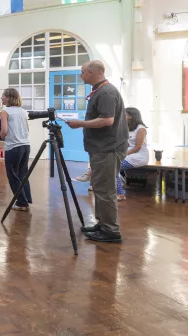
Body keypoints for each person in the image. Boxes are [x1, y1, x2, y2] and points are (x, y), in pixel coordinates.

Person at [66, 60, 128, 243]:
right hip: (102, 148)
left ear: (92, 72)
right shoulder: (101, 91)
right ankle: (103, 224)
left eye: (82, 72)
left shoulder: (106, 92)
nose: (81, 76)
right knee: (100, 188)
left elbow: (107, 120)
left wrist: (80, 124)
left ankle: (111, 231)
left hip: (108, 149)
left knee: (105, 190)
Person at [0, 88, 32, 211]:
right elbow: (27, 129)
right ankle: (26, 199)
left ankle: (22, 203)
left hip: (13, 147)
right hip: (25, 146)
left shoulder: (4, 111)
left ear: (9, 97)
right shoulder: (23, 111)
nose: (1, 98)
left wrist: (2, 135)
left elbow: (4, 131)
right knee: (23, 174)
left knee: (13, 175)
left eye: (3, 96)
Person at [116, 107, 149, 201]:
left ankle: (121, 193)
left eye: (124, 114)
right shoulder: (127, 127)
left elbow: (137, 147)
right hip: (129, 153)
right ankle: (119, 185)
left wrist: (124, 153)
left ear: (131, 116)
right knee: (110, 165)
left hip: (139, 156)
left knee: (114, 168)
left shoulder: (141, 129)